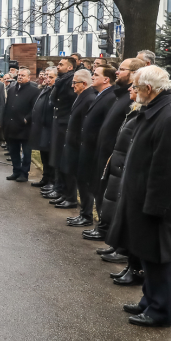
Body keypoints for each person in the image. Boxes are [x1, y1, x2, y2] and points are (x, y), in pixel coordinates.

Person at [114, 65, 171, 327]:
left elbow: (167, 171)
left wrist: (155, 207)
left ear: (149, 88)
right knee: (148, 255)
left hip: (156, 206)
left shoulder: (170, 117)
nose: (132, 91)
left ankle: (159, 311)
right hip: (142, 201)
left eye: (136, 86)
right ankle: (149, 301)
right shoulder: (155, 111)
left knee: (158, 259)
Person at [84, 59, 141, 244]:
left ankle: (107, 231)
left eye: (122, 70)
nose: (117, 72)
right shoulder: (121, 96)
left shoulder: (130, 98)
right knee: (102, 194)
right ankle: (103, 227)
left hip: (114, 157)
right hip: (106, 153)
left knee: (110, 197)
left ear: (134, 73)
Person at [99, 82, 143, 278]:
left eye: (134, 87)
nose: (130, 90)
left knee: (122, 211)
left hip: (126, 166)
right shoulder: (133, 110)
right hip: (119, 163)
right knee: (116, 207)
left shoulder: (143, 112)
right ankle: (119, 248)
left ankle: (125, 254)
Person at [72, 66, 117, 227]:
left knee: (94, 186)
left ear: (106, 79)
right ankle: (85, 214)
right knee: (84, 182)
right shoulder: (99, 95)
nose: (93, 77)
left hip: (95, 149)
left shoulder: (110, 97)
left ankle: (93, 220)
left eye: (96, 75)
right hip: (88, 147)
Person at [56, 69, 97, 213]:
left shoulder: (89, 98)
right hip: (72, 144)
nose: (72, 85)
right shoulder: (81, 96)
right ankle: (69, 197)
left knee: (82, 182)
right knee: (70, 173)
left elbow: (87, 125)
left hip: (79, 146)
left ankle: (85, 213)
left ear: (84, 83)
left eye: (75, 83)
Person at [44, 57, 77, 203]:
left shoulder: (69, 81)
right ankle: (59, 188)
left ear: (70, 68)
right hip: (59, 122)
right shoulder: (62, 80)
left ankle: (64, 191)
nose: (58, 66)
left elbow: (67, 101)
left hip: (64, 123)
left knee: (62, 159)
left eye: (61, 64)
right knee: (57, 157)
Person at [3, 67, 39, 182]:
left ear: (29, 78)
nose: (20, 77)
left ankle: (24, 173)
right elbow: (8, 106)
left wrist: (26, 119)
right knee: (13, 151)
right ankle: (16, 171)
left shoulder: (34, 91)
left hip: (25, 127)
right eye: (19, 75)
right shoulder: (12, 90)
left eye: (23, 75)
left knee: (26, 152)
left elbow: (35, 108)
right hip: (12, 125)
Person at [30, 69, 55, 183]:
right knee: (43, 154)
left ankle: (50, 180)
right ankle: (46, 178)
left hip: (49, 128)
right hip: (42, 127)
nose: (46, 79)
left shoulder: (54, 91)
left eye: (50, 77)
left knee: (49, 156)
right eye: (46, 76)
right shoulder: (46, 88)